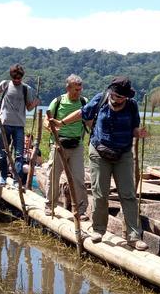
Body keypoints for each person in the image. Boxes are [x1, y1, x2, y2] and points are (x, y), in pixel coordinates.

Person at [50, 76, 147, 248]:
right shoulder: (100, 99)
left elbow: (134, 128)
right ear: (111, 93)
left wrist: (139, 133)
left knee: (128, 194)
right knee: (100, 194)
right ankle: (98, 230)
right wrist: (61, 123)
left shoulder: (131, 105)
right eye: (117, 97)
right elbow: (82, 113)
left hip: (123, 153)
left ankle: (133, 236)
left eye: (122, 98)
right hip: (99, 152)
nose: (119, 100)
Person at [0, 63, 39, 186]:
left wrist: (35, 103)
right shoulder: (5, 84)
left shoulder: (26, 89)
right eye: (15, 78)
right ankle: (3, 177)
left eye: (19, 78)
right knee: (3, 153)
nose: (17, 81)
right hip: (4, 124)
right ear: (11, 76)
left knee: (19, 155)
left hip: (19, 126)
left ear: (22, 77)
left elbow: (29, 108)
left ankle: (17, 180)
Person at [43, 74, 88, 219]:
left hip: (76, 145)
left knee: (79, 179)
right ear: (68, 88)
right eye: (75, 89)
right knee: (53, 176)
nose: (78, 92)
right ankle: (50, 207)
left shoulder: (84, 102)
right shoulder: (57, 101)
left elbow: (89, 121)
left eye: (80, 89)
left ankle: (81, 211)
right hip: (58, 145)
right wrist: (51, 128)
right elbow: (46, 121)